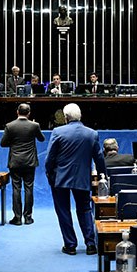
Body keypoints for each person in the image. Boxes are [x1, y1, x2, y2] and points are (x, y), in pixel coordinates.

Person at [45, 103, 106, 255]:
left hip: (60, 177)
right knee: (85, 209)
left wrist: (49, 173)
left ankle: (70, 245)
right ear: (80, 116)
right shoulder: (91, 133)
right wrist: (102, 175)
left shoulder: (58, 131)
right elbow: (99, 158)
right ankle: (91, 244)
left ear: (66, 118)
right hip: (82, 177)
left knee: (63, 210)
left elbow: (50, 158)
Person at [0, 103, 45, 225]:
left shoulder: (10, 126)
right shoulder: (34, 125)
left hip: (15, 161)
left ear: (17, 112)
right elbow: (42, 139)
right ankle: (28, 217)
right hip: (30, 162)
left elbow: (3, 143)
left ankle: (18, 218)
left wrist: (14, 143)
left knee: (16, 189)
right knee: (29, 188)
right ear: (29, 113)